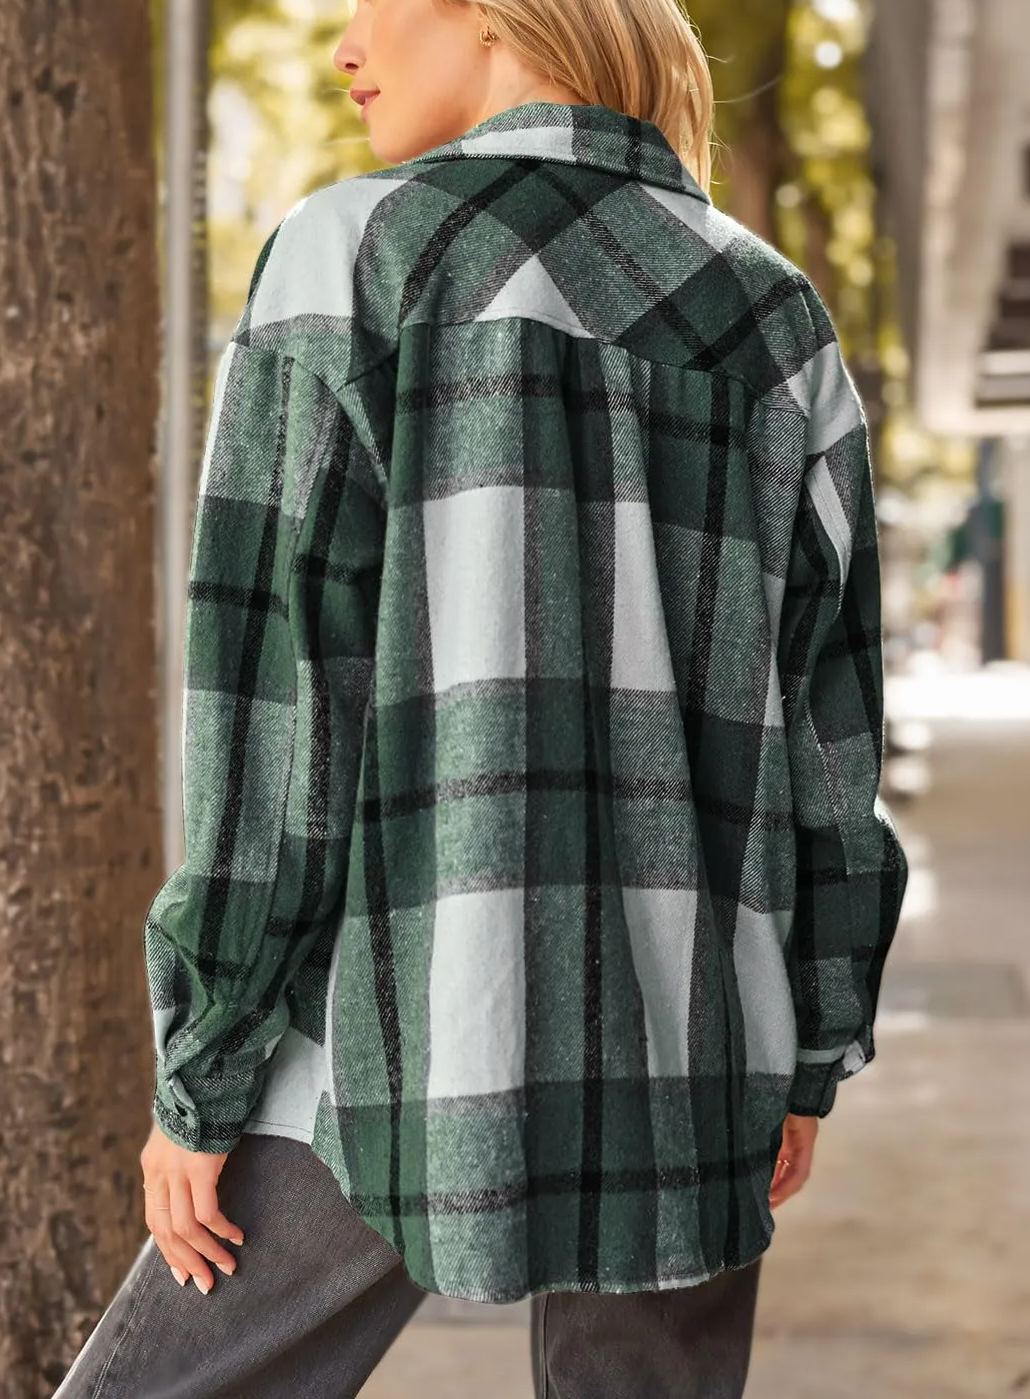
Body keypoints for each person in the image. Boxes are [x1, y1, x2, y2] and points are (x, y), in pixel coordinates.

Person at [53, 0, 909, 1394]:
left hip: (399, 1026)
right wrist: (804, 1045)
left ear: (500, 13)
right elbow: (831, 738)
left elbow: (274, 708)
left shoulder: (357, 254)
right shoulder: (772, 312)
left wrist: (206, 1063)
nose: (342, 46)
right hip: (696, 1039)